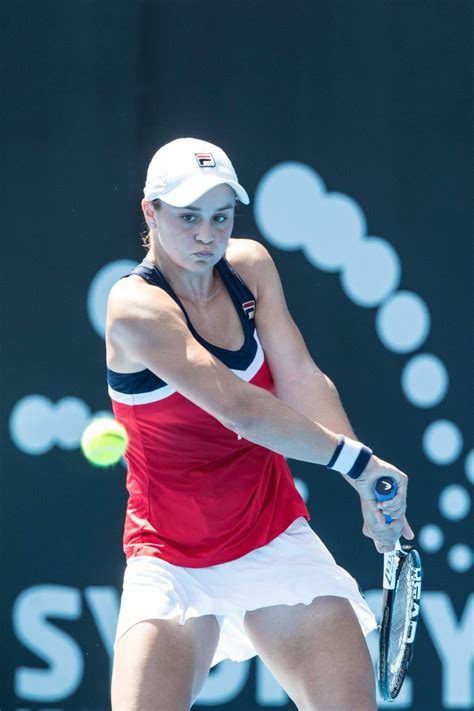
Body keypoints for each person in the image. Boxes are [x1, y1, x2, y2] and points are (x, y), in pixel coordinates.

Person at [106, 137, 414, 711]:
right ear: (150, 212)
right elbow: (241, 410)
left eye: (221, 217)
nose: (206, 235)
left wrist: (363, 481)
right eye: (188, 217)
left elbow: (300, 380)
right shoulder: (135, 309)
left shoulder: (250, 268)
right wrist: (359, 462)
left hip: (272, 538)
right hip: (170, 559)